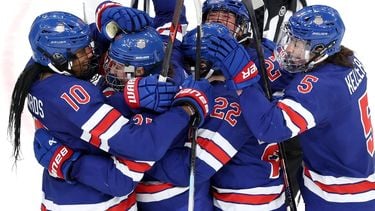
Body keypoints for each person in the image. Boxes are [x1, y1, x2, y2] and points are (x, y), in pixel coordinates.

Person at [8, 11, 213, 210]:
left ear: (141, 71)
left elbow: (169, 17)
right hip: (99, 204)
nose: (93, 54)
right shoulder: (73, 94)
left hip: (58, 197)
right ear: (59, 58)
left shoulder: (36, 73)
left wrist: (107, 15)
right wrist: (187, 107)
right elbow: (123, 177)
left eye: (121, 65)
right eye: (82, 51)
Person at [208, 4, 375, 210]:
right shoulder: (346, 59)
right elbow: (295, 77)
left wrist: (244, 78)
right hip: (349, 173)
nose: (288, 48)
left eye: (297, 43)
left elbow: (270, 126)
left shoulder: (321, 88)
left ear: (320, 49)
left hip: (342, 196)